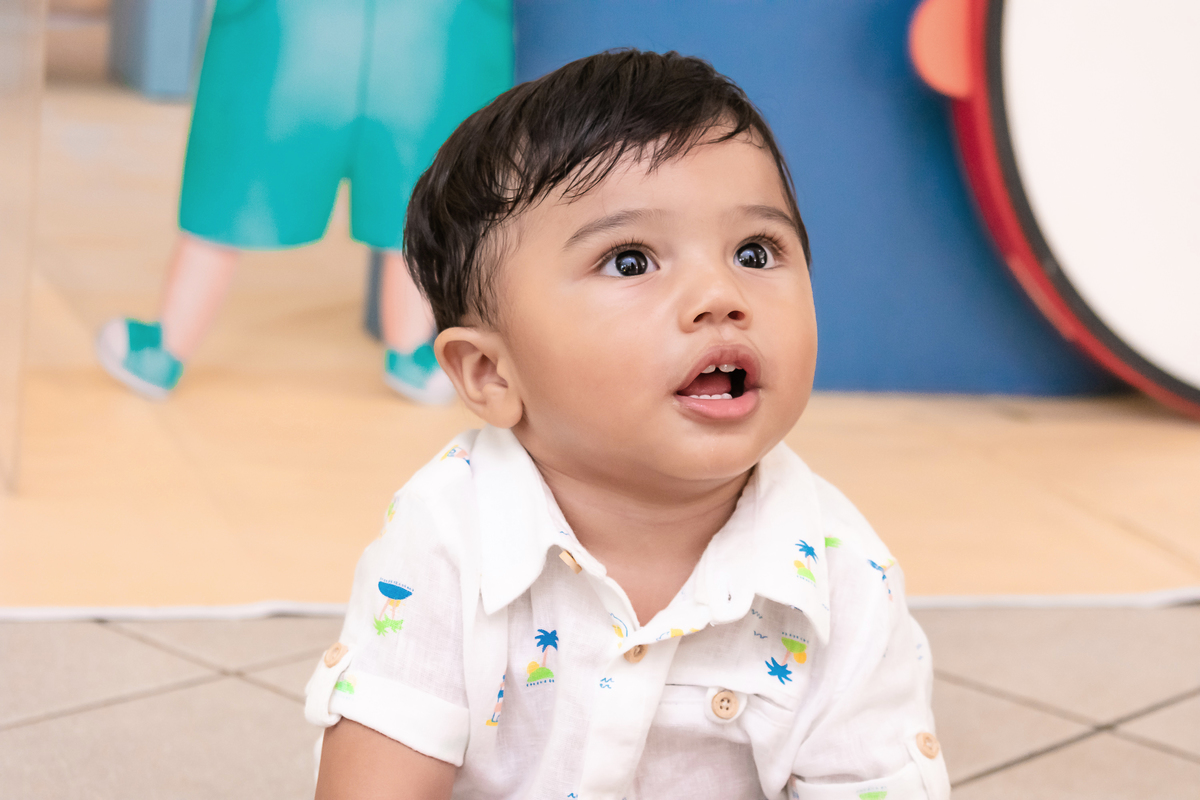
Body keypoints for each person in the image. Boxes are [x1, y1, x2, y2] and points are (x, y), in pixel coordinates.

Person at [304, 50, 951, 800]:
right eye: (632, 261)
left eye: (754, 251)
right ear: (490, 372)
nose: (720, 294)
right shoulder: (449, 532)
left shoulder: (844, 580)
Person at [95, 0, 512, 403]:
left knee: (230, 187)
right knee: (418, 192)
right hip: (433, 39)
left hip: (288, 37)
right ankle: (411, 358)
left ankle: (162, 352)